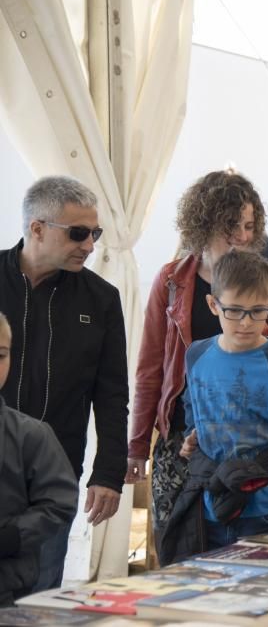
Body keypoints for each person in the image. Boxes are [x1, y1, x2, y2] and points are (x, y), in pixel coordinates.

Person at [127, 170, 268, 552]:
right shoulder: (173, 280)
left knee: (250, 550)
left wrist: (252, 323)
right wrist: (138, 445)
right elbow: (150, 368)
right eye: (232, 226)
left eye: (249, 225)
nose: (243, 236)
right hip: (187, 433)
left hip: (254, 442)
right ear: (205, 223)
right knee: (182, 553)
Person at [0, 176, 129, 590]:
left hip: (54, 481)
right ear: (37, 228)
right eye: (78, 233)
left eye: (95, 233)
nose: (90, 245)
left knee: (40, 600)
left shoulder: (101, 298)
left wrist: (107, 473)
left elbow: (112, 394)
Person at [159, 251, 268, 563]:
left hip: (266, 514)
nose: (245, 323)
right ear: (213, 304)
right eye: (235, 311)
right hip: (207, 510)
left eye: (257, 312)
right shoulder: (197, 355)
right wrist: (192, 436)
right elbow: (194, 411)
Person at [0, 312, 78, 605]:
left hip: (9, 589)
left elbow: (60, 502)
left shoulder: (32, 435)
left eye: (0, 355)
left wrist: (13, 537)